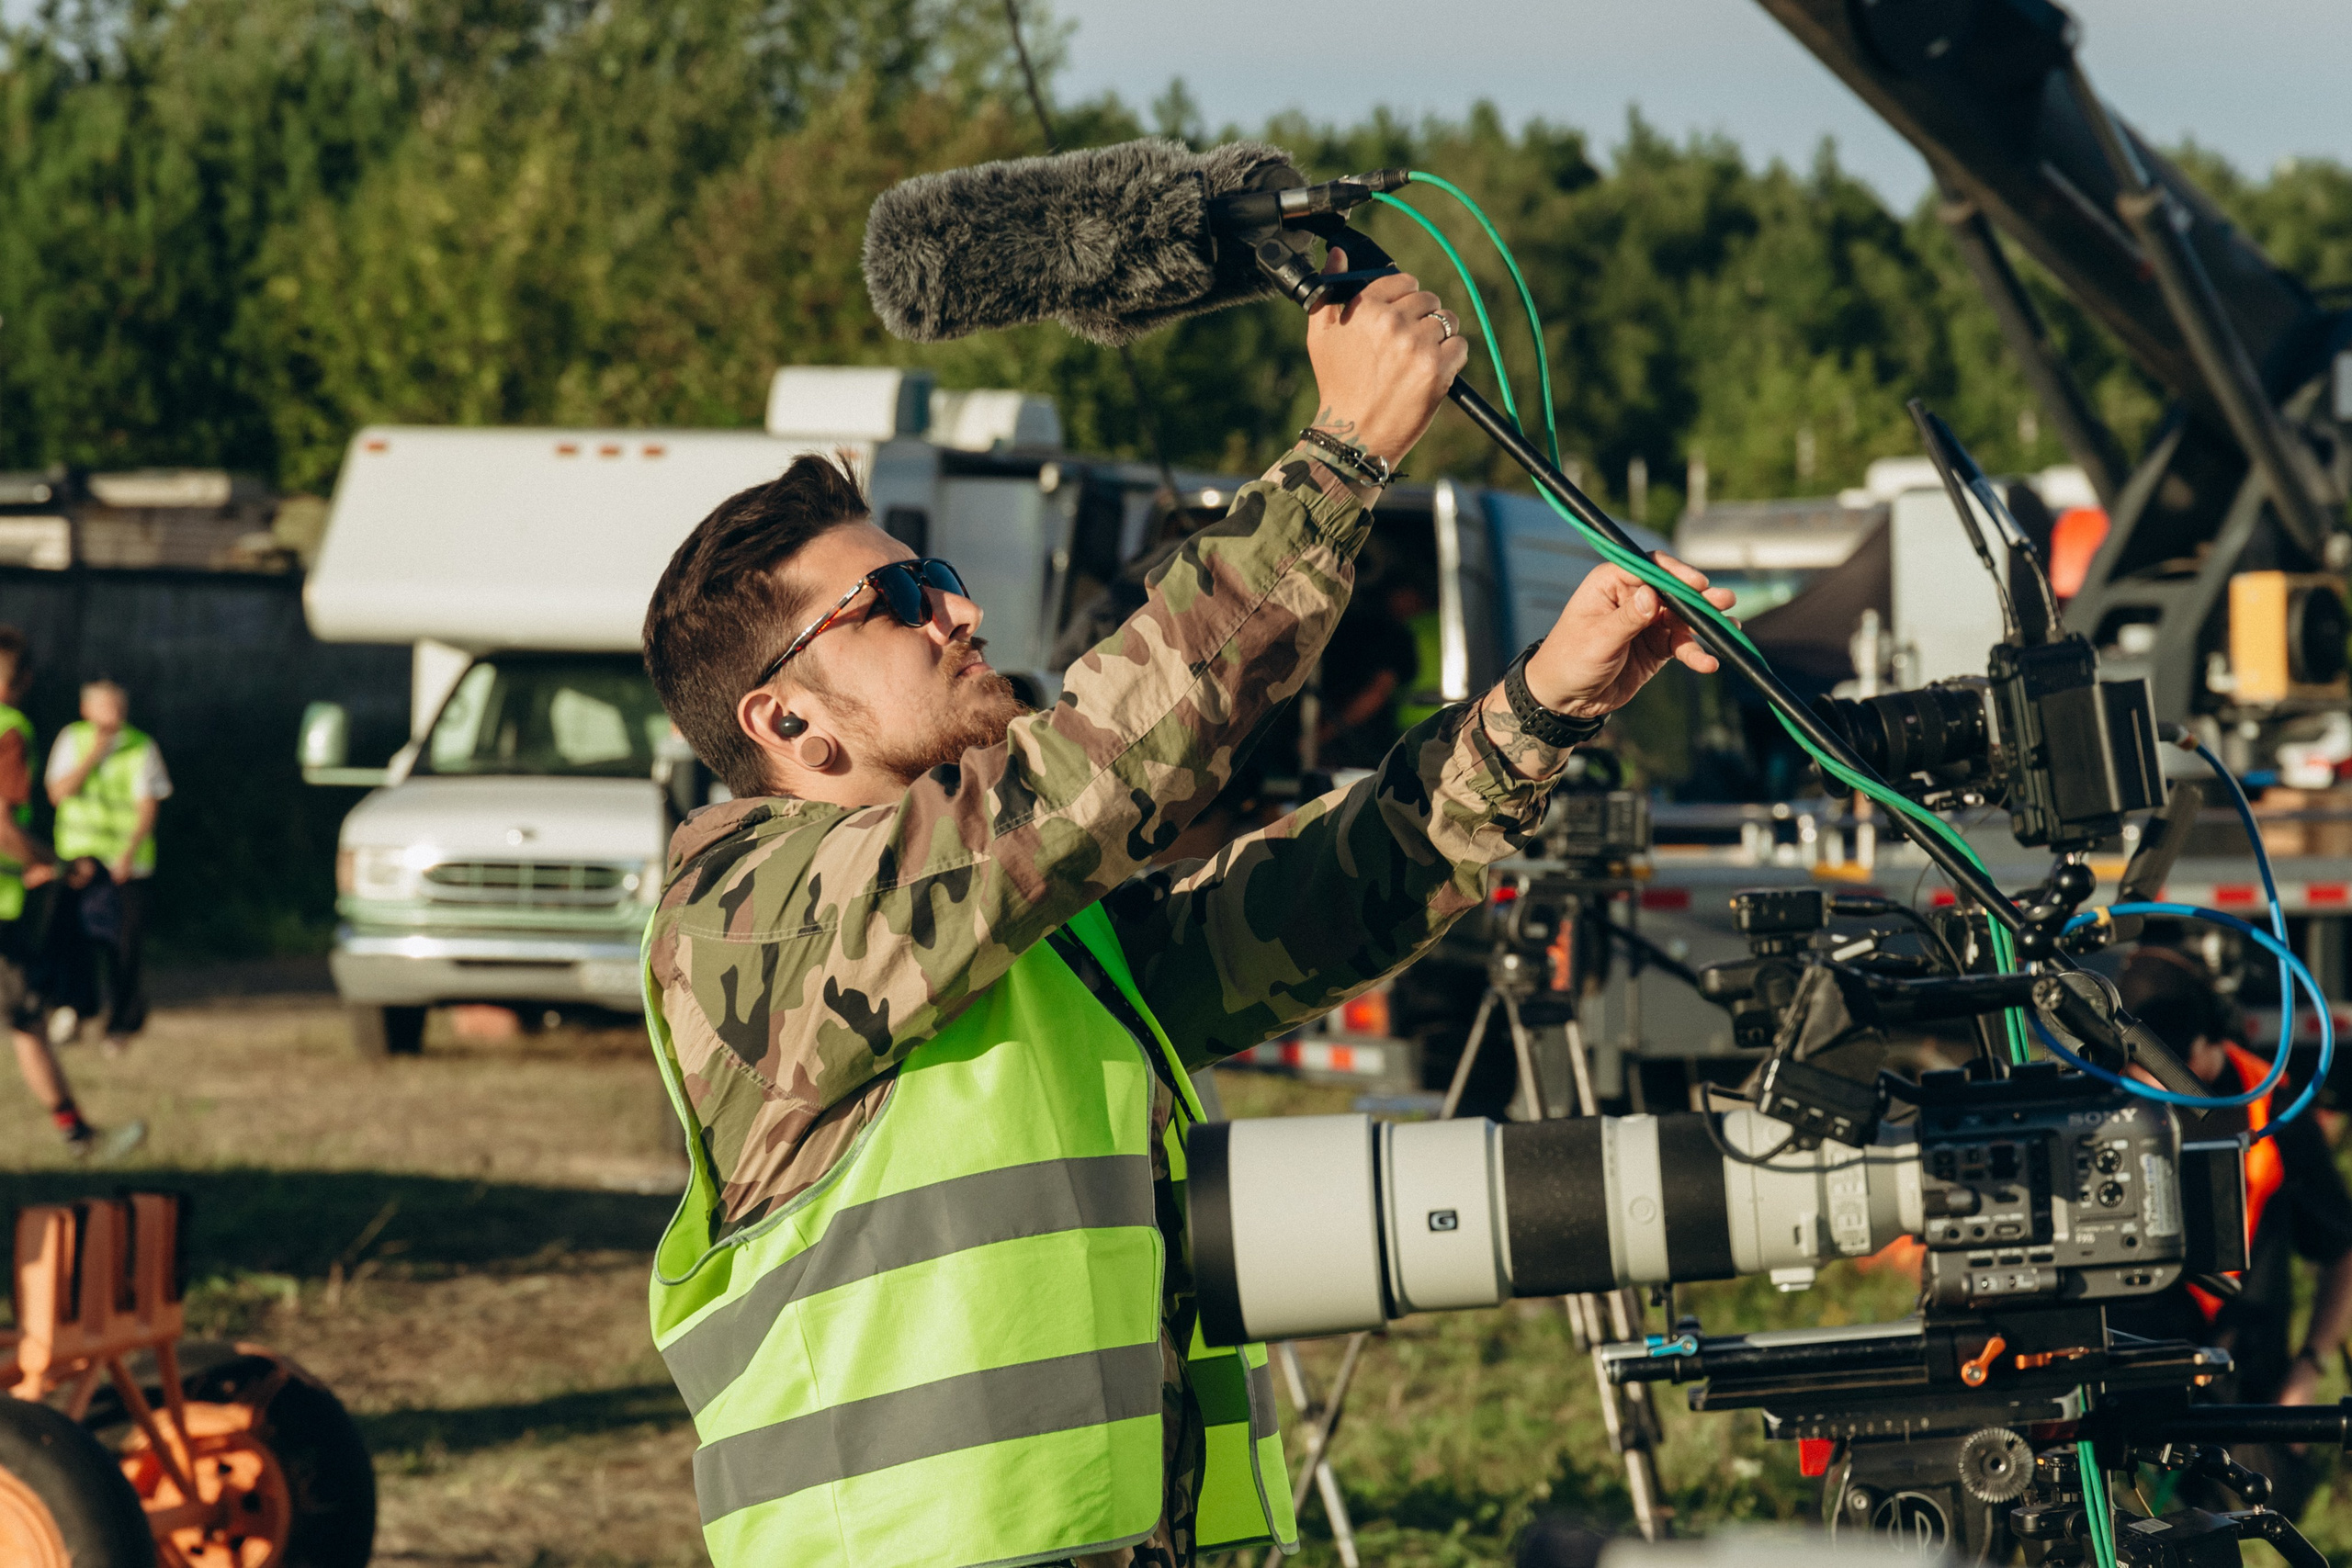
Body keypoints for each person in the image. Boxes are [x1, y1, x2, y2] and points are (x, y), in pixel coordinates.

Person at [637, 255, 1736, 1566]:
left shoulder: (1017, 933)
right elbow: (1101, 767)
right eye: (904, 599)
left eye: (939, 571)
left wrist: (1548, 702)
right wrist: (1342, 457)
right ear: (785, 718)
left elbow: (1313, 905)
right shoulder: (751, 916)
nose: (964, 609)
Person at [2111, 943, 2352, 1517]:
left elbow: (2343, 1250)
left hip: (2244, 1386)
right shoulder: (2107, 1105)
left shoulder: (2274, 1106)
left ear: (2207, 1043)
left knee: (2263, 1511)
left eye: (2162, 1065)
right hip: (2126, 1371)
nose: (2145, 1083)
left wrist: (2306, 1375)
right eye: (2134, 1064)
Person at [0, 633, 142, 1157]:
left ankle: (77, 1132)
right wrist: (54, 863)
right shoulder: (10, 730)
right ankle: (79, 1137)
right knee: (26, 1019)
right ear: (24, 682)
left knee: (26, 1019)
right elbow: (2, 829)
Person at [46, 677, 170, 1053]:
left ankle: (121, 1024)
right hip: (79, 857)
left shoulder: (141, 746)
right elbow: (59, 793)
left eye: (119, 707)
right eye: (106, 706)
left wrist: (128, 855)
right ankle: (73, 1008)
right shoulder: (73, 739)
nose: (114, 715)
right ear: (86, 710)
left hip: (125, 863)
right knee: (71, 936)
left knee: (125, 946)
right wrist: (93, 756)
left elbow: (148, 806)